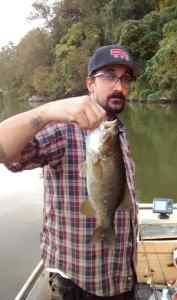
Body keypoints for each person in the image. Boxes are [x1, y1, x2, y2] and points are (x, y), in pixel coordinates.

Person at [2, 44, 138, 300]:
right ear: (90, 84)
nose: (119, 86)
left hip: (121, 277)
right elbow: (3, 151)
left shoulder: (117, 130)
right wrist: (44, 113)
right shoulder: (63, 129)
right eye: (109, 75)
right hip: (78, 284)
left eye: (125, 78)